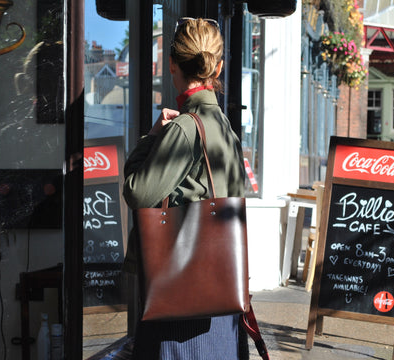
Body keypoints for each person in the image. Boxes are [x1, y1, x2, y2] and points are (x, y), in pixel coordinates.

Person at [122, 18, 249, 359]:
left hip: (181, 302)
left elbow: (136, 191)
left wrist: (151, 138)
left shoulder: (183, 128)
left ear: (173, 64)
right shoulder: (226, 129)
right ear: (218, 66)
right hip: (220, 298)